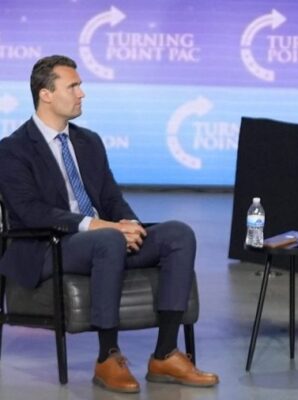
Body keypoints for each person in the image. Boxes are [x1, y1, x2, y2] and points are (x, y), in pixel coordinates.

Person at [0, 55, 219, 394]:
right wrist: (101, 227)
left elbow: (111, 198)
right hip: (49, 245)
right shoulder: (13, 149)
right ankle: (107, 357)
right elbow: (32, 212)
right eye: (73, 86)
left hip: (102, 238)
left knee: (178, 234)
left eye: (80, 86)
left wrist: (129, 225)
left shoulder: (89, 141)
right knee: (108, 240)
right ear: (46, 94)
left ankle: (165, 354)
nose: (82, 93)